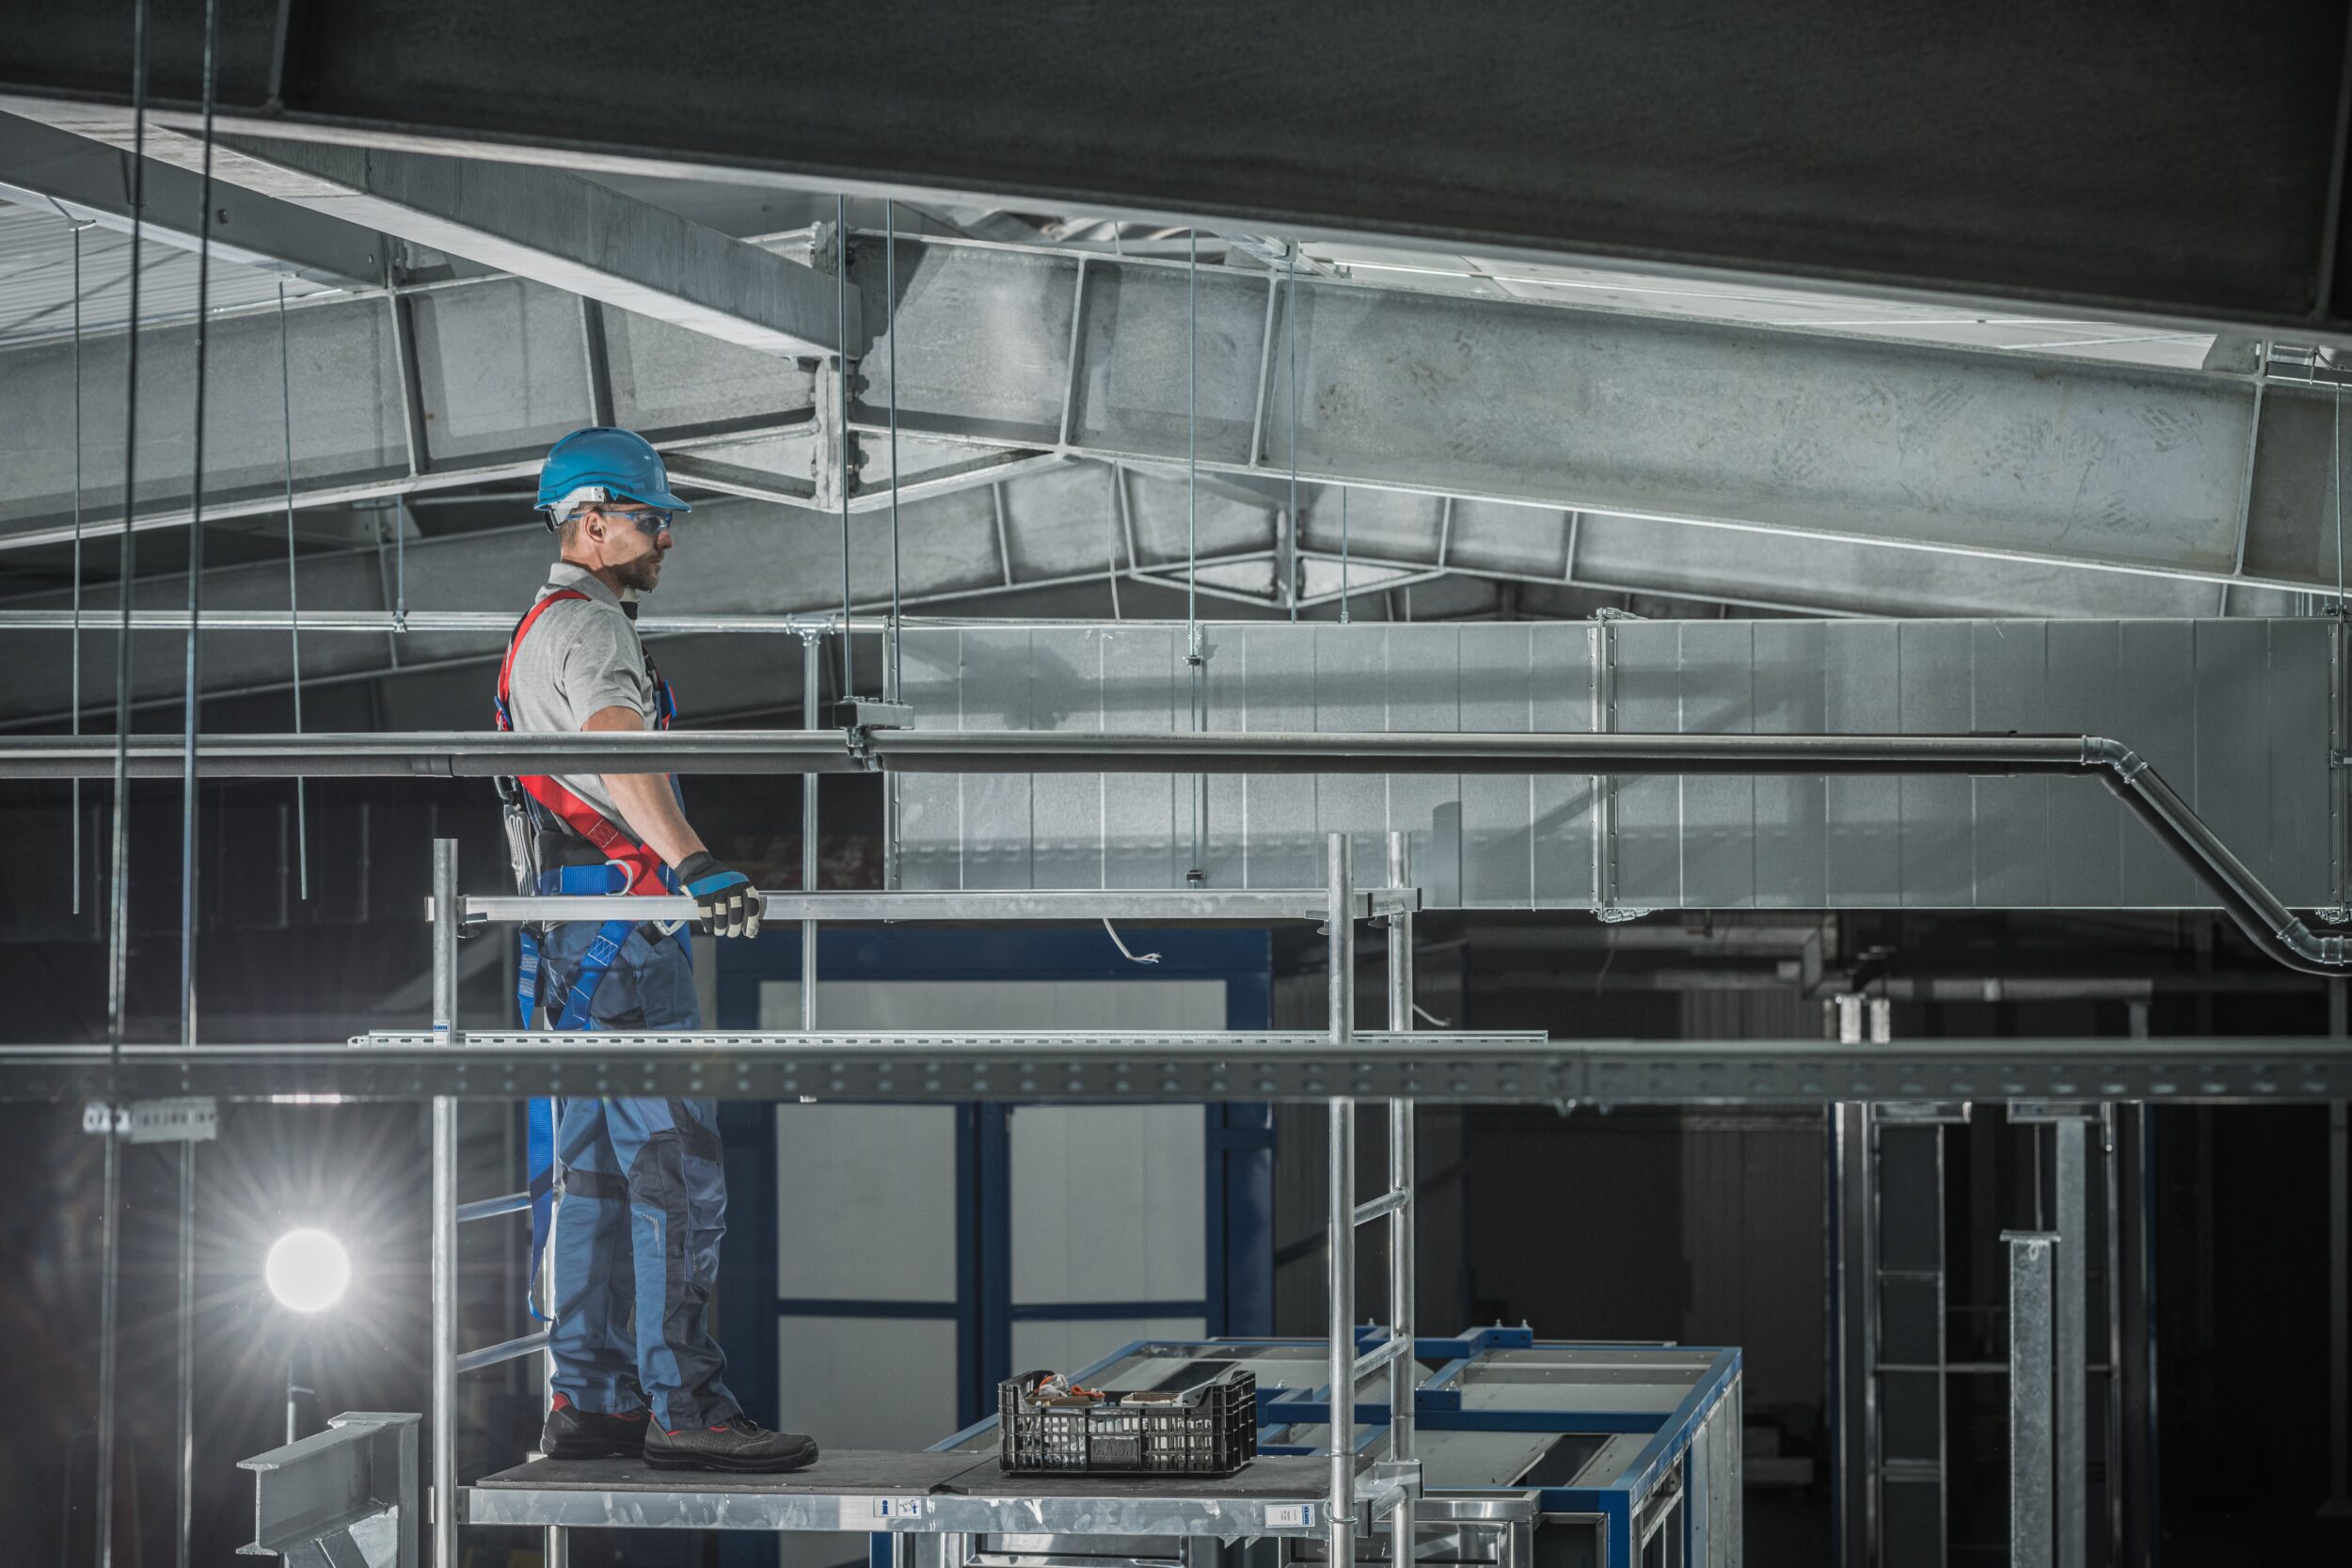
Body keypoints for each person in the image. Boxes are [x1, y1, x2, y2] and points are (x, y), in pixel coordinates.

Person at [495, 425, 814, 1473]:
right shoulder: (586, 628)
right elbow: (613, 739)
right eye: (647, 516)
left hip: (563, 927)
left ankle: (591, 1397)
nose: (665, 534)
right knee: (674, 1166)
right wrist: (689, 859)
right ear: (589, 521)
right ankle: (687, 1405)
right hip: (624, 924)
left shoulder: (547, 624)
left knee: (589, 1173)